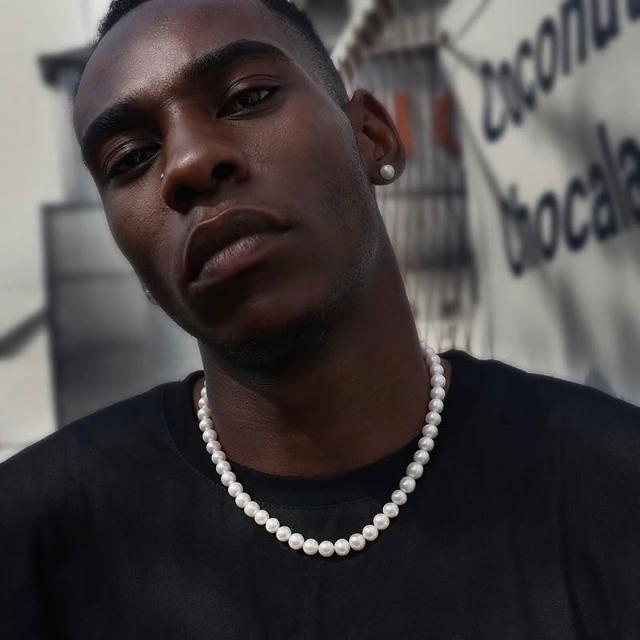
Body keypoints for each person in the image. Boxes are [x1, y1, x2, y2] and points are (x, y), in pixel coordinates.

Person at [1, 0, 639, 637]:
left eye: (247, 98)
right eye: (130, 158)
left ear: (371, 136)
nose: (189, 163)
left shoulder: (611, 483)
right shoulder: (31, 540)